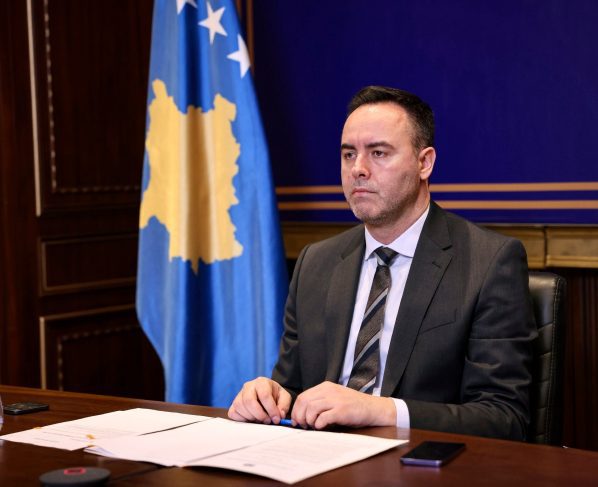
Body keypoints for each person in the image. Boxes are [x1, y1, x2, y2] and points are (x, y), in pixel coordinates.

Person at [228, 85, 536, 440]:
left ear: (424, 163)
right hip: (318, 457)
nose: (358, 169)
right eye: (348, 154)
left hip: (417, 461)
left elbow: (503, 417)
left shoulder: (489, 262)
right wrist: (270, 398)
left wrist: (380, 410)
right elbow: (293, 390)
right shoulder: (316, 262)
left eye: (378, 153)